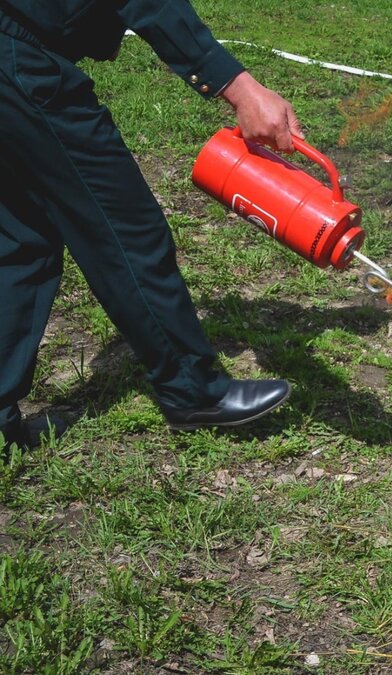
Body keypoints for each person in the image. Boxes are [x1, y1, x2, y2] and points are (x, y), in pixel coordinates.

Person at [0, 0, 299, 454]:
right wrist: (238, 87)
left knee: (25, 237)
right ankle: (194, 390)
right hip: (20, 61)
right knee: (125, 230)